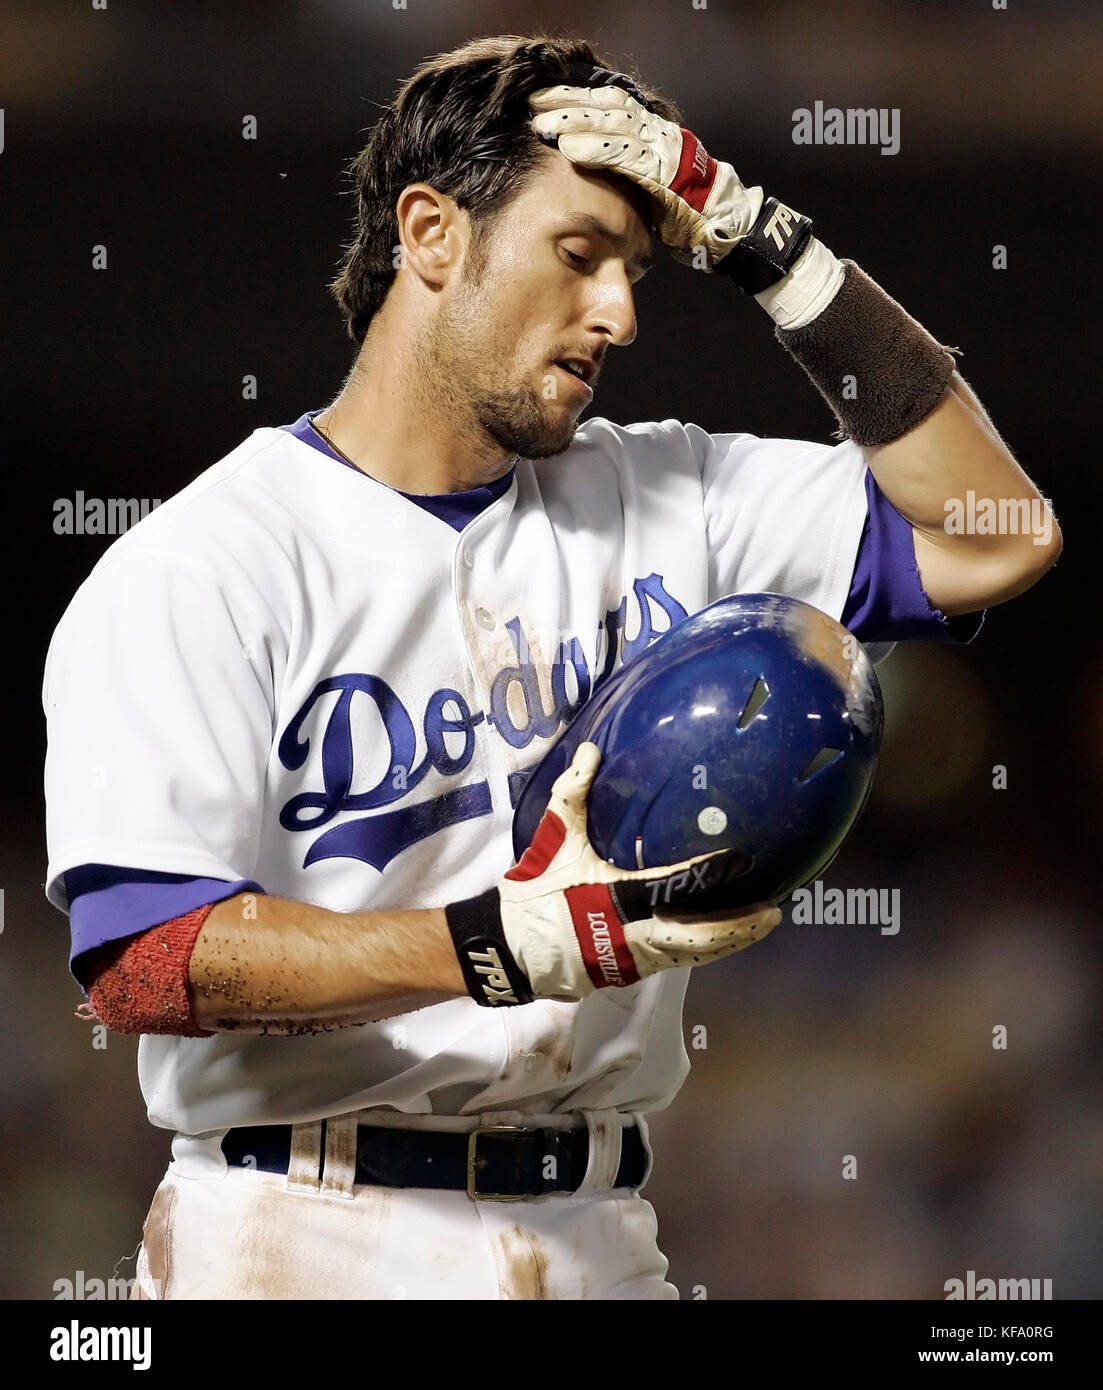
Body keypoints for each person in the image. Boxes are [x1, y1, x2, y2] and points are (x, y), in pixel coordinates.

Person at [42, 33, 1061, 1300]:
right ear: (429, 233)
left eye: (638, 271)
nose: (619, 313)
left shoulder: (669, 492)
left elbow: (996, 535)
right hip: (295, 1228)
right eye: (578, 256)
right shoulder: (206, 562)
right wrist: (491, 943)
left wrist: (767, 245)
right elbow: (141, 958)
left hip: (596, 1228)